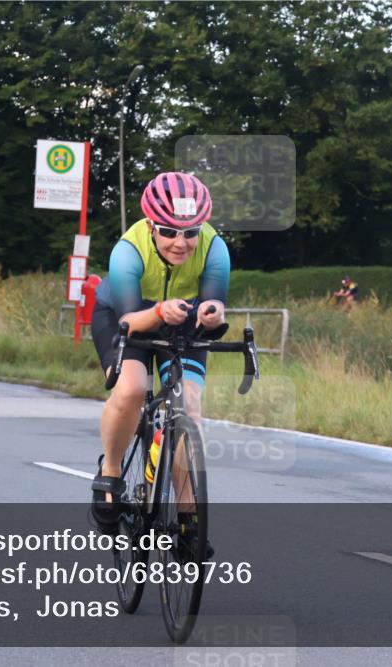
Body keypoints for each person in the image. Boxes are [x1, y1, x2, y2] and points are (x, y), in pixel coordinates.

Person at [89, 172, 229, 549]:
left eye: (190, 232)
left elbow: (215, 303)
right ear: (151, 225)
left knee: (190, 405)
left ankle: (188, 517)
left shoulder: (215, 247)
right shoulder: (127, 250)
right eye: (169, 231)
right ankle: (111, 472)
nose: (180, 243)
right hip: (126, 316)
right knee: (132, 389)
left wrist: (213, 314)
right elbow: (130, 320)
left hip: (181, 318)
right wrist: (158, 311)